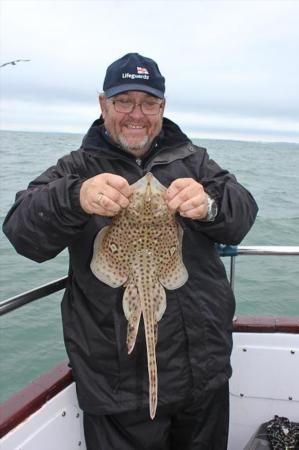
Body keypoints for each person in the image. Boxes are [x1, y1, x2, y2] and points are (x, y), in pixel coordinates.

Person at [3, 52, 258, 450]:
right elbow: (22, 232)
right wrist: (76, 197)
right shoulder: (75, 168)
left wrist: (209, 205)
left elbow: (242, 214)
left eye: (149, 102)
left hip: (204, 374)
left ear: (162, 107)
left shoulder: (194, 160)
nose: (136, 113)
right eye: (124, 101)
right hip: (118, 387)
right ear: (103, 104)